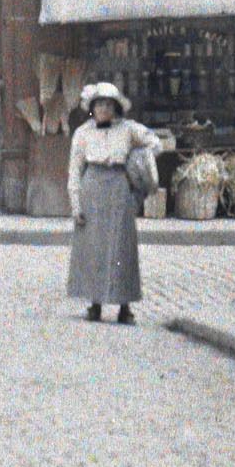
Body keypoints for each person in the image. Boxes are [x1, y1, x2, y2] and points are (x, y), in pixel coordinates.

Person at [66, 80, 161, 325]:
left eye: (109, 105)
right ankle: (94, 304)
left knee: (121, 247)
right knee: (94, 248)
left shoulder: (128, 130)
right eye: (99, 105)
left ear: (116, 108)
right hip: (92, 188)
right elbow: (75, 170)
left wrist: (138, 161)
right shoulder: (83, 133)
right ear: (92, 108)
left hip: (119, 189)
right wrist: (76, 205)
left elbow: (155, 143)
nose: (104, 110)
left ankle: (124, 307)